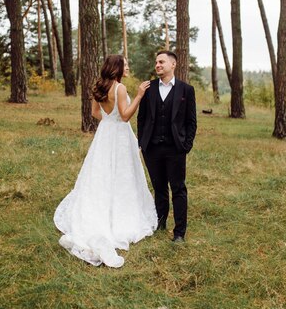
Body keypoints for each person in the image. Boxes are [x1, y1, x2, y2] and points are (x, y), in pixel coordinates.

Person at [54, 55, 157, 268]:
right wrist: (138, 95)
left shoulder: (100, 86)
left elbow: (94, 113)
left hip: (105, 134)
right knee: (121, 176)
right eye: (126, 64)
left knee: (101, 174)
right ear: (118, 68)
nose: (128, 67)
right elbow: (126, 115)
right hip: (119, 135)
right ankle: (117, 217)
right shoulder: (119, 88)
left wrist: (110, 121)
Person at [137, 51, 197, 244]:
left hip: (175, 148)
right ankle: (160, 223)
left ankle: (179, 232)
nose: (157, 65)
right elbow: (142, 117)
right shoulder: (149, 88)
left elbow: (191, 121)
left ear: (173, 65)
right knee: (159, 187)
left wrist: (185, 146)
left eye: (161, 62)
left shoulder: (186, 90)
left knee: (178, 188)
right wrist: (142, 143)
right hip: (152, 148)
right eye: (156, 62)